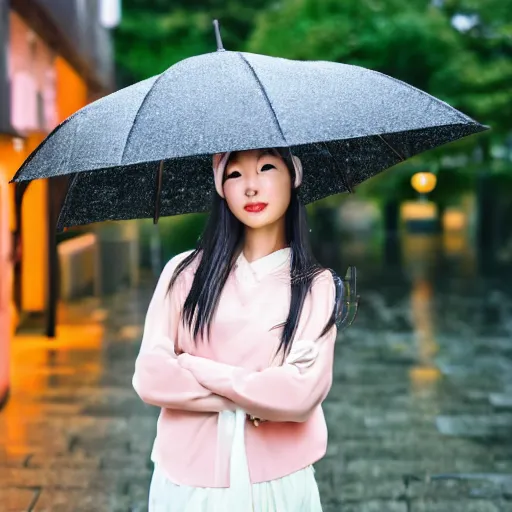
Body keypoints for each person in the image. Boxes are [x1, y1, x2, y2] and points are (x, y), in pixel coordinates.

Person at [132, 147, 342, 511]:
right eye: (234, 175)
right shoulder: (183, 274)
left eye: (266, 167)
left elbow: (300, 396)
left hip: (278, 482)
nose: (251, 187)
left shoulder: (315, 285)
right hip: (187, 482)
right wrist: (258, 395)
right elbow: (151, 378)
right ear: (220, 187)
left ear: (294, 176)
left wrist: (193, 366)